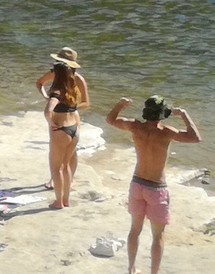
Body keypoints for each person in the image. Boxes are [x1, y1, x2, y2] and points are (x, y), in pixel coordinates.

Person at [105, 96, 201, 274]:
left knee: (135, 230)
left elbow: (110, 120)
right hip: (156, 189)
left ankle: (131, 268)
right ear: (163, 113)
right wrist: (185, 115)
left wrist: (120, 104)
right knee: (158, 236)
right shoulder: (166, 131)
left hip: (137, 184)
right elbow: (195, 138)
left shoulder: (135, 126)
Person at [36, 47, 90, 199]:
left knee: (69, 153)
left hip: (69, 114)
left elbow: (86, 103)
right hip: (65, 114)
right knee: (65, 153)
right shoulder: (55, 74)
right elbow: (39, 83)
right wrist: (47, 97)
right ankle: (61, 183)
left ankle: (67, 181)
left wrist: (69, 107)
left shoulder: (78, 78)